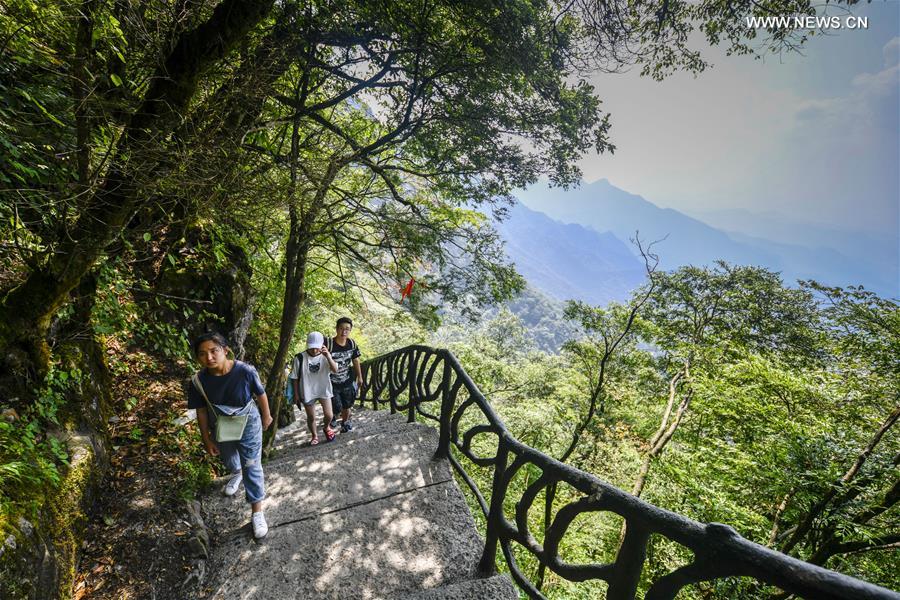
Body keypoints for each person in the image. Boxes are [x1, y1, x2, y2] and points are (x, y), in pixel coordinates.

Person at [187, 332, 273, 539]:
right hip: (221, 424)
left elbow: (260, 393)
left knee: (251, 464)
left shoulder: (244, 371)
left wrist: (267, 415)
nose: (209, 357)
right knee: (228, 456)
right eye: (202, 354)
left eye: (214, 351)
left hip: (249, 421)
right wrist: (206, 439)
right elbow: (200, 410)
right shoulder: (198, 381)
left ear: (225, 351)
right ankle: (236, 472)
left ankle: (257, 511)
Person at [290, 331, 338, 445]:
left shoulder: (325, 356)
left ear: (321, 345)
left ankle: (326, 427)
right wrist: (296, 395)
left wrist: (328, 356)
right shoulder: (300, 358)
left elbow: (335, 370)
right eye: (312, 347)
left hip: (323, 389)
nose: (315, 350)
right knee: (311, 417)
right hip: (307, 390)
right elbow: (294, 378)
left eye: (317, 347)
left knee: (329, 415)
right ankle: (314, 436)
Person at [327, 316, 363, 432]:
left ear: (350, 330)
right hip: (331, 382)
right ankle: (333, 416)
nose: (344, 332)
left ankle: (345, 422)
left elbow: (356, 360)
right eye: (341, 328)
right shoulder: (329, 345)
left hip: (347, 380)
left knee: (347, 405)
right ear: (337, 329)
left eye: (347, 329)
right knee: (336, 406)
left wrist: (360, 377)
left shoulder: (351, 344)